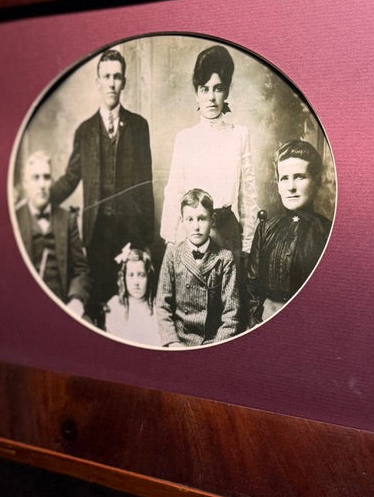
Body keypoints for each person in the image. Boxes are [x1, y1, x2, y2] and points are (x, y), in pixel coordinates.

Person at [51, 49, 155, 317]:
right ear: (97, 82)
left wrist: (146, 242)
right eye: (106, 77)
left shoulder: (139, 127)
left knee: (130, 304)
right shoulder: (85, 131)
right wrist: (41, 199)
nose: (111, 83)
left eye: (117, 77)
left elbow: (146, 187)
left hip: (130, 235)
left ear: (124, 82)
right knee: (97, 305)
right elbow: (70, 179)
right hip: (96, 235)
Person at [159, 44, 258, 264]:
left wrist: (249, 244)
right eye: (205, 89)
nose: (211, 97)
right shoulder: (185, 138)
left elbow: (247, 196)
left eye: (218, 88)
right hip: (192, 232)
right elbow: (174, 191)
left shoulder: (240, 135)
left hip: (227, 235)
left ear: (227, 91)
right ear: (196, 94)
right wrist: (171, 241)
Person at [246, 139, 331, 327]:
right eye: (284, 178)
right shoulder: (265, 229)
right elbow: (252, 288)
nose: (291, 187)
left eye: (300, 177)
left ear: (316, 182)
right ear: (277, 185)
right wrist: (255, 324)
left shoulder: (326, 232)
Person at [156, 188, 239, 347]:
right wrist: (172, 342)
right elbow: (162, 305)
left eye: (202, 219)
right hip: (179, 340)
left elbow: (231, 314)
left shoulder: (225, 258)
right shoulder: (173, 254)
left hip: (212, 342)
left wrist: (215, 347)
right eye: (190, 219)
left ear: (212, 220)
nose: (196, 226)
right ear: (181, 221)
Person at [15, 150, 91, 317]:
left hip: (65, 305)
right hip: (26, 308)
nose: (42, 184)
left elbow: (81, 269)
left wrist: (76, 300)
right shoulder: (15, 219)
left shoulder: (67, 219)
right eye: (36, 178)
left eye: (46, 177)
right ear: (26, 184)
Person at [104, 245, 161, 346]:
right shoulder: (115, 306)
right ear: (124, 278)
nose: (136, 282)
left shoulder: (157, 308)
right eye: (131, 275)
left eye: (141, 275)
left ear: (148, 277)